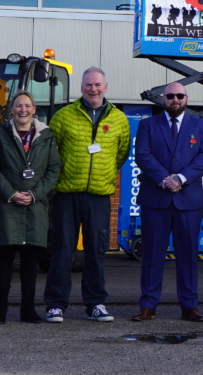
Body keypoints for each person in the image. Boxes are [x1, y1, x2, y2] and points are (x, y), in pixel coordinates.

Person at [44, 67, 130, 324]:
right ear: (81, 88)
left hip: (98, 197)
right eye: (88, 85)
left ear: (106, 87)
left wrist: (104, 174)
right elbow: (51, 151)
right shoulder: (63, 116)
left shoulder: (119, 119)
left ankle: (95, 304)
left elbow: (122, 153)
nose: (93, 89)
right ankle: (55, 305)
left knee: (96, 252)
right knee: (62, 250)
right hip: (67, 195)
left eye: (98, 85)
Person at [131, 82, 203, 323]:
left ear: (186, 98)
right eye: (170, 96)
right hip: (156, 199)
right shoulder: (148, 125)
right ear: (163, 99)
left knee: (188, 255)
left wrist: (181, 178)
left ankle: (189, 306)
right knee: (151, 255)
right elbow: (142, 154)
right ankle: (148, 305)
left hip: (188, 201)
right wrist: (165, 180)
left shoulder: (201, 126)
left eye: (179, 96)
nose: (175, 99)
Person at [0, 92, 62, 325]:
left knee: (30, 261)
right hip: (8, 204)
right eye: (19, 106)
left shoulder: (47, 137)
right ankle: (0, 310)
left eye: (27, 106)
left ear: (34, 109)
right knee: (5, 259)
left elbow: (54, 169)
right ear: (12, 109)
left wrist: (35, 194)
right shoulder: (0, 136)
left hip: (35, 206)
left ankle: (28, 310)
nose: (23, 110)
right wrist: (11, 193)